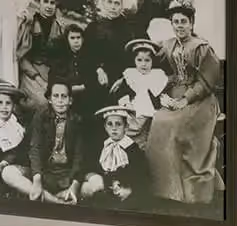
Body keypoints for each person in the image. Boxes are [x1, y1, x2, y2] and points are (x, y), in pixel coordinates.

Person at [142, 0, 220, 207]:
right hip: (175, 94)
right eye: (175, 22)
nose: (179, 26)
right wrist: (162, 93)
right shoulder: (167, 45)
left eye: (183, 21)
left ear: (192, 23)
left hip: (200, 100)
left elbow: (207, 81)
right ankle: (163, 189)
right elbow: (160, 71)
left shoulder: (202, 48)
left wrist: (185, 99)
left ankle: (187, 192)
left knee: (173, 124)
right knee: (159, 119)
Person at [77, 101, 152, 207]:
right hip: (105, 185)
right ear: (105, 127)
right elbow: (90, 165)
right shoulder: (102, 146)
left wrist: (125, 185)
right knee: (87, 187)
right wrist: (95, 176)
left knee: (126, 197)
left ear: (126, 127)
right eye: (110, 124)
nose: (114, 128)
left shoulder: (133, 149)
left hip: (123, 186)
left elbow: (140, 173)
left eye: (118, 124)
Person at [25, 79, 83, 201]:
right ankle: (55, 200)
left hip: (66, 174)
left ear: (70, 100)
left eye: (64, 96)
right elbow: (34, 148)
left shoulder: (77, 121)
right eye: (56, 96)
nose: (60, 100)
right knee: (8, 173)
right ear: (50, 99)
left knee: (94, 185)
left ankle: (57, 195)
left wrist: (74, 185)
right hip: (45, 172)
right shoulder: (41, 117)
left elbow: (79, 156)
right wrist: (36, 181)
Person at [108, 37, 165, 132]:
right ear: (134, 61)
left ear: (152, 61)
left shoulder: (158, 75)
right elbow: (123, 92)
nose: (143, 64)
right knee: (131, 128)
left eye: (147, 60)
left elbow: (159, 93)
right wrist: (126, 103)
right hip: (133, 110)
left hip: (153, 112)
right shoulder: (130, 75)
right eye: (139, 60)